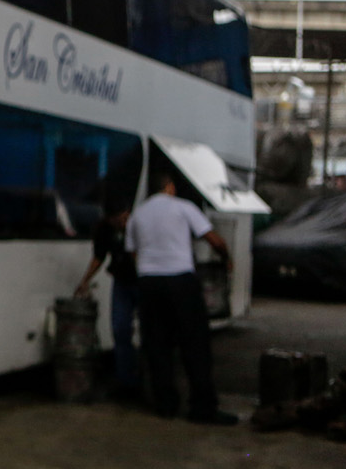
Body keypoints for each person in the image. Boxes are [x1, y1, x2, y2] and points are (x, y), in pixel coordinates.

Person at [126, 173, 237, 424]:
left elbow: (133, 252)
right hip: (180, 282)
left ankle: (165, 405)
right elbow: (213, 239)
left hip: (149, 284)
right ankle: (202, 408)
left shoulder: (137, 215)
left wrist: (149, 269)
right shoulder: (183, 207)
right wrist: (226, 257)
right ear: (170, 187)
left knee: (157, 345)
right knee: (195, 345)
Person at [74, 200, 138, 397]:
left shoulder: (139, 224)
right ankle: (125, 380)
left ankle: (145, 376)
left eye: (123, 218)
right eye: (116, 220)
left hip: (144, 280)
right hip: (122, 280)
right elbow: (99, 256)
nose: (120, 223)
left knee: (151, 330)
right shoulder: (104, 230)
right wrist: (85, 280)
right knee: (120, 328)